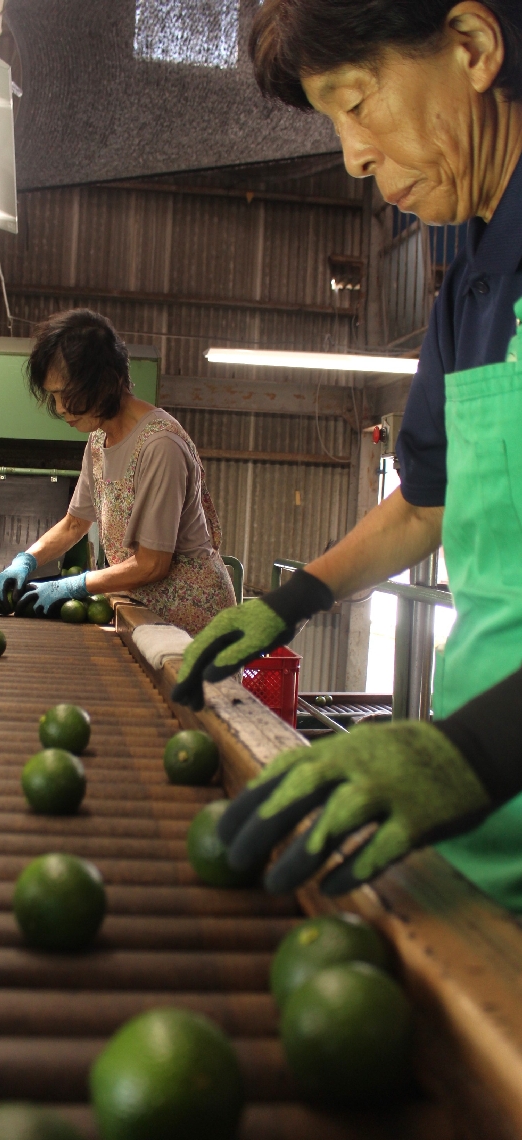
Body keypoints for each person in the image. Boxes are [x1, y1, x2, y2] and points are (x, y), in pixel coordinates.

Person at [172, 0, 522, 908]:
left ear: (475, 47)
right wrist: (291, 601)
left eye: (357, 102)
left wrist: (480, 748)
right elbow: (426, 501)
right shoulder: (474, 277)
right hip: (486, 837)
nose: (353, 155)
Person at [0, 309, 235, 635]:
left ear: (102, 382)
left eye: (66, 394)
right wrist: (25, 561)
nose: (60, 409)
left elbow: (152, 563)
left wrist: (73, 585)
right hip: (147, 615)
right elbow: (75, 523)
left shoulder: (160, 445)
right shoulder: (99, 438)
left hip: (196, 626)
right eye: (53, 396)